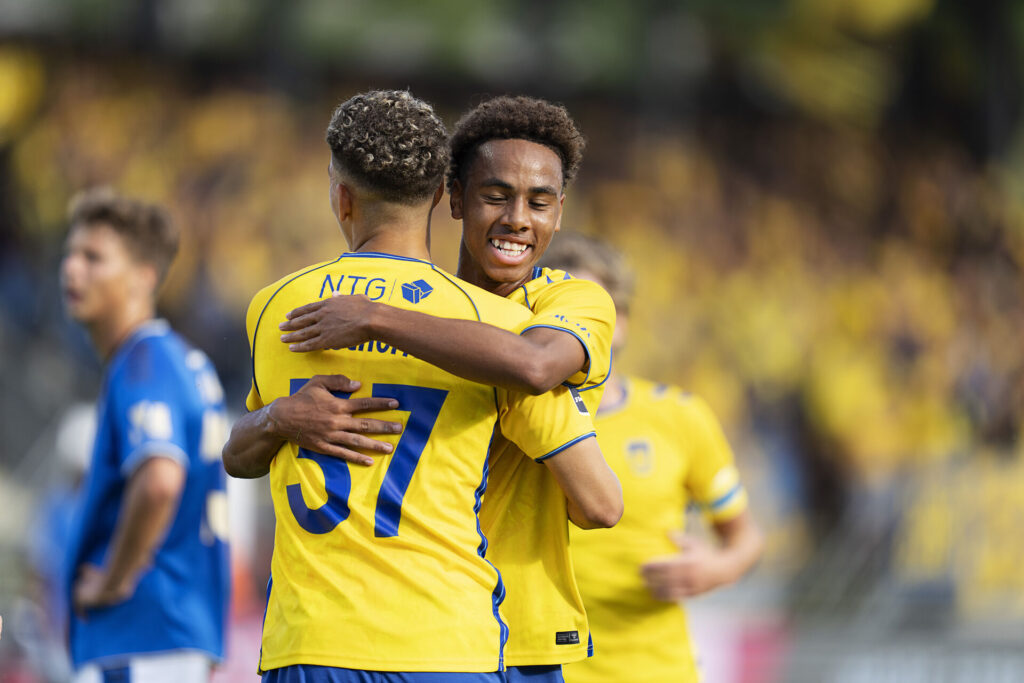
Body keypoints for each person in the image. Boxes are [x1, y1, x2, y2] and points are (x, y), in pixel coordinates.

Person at [221, 90, 618, 682]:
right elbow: (598, 503)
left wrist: (375, 317)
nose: (516, 219)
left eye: (539, 203)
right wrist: (279, 418)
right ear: (447, 197)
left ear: (340, 197)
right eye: (495, 196)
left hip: (483, 632)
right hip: (451, 636)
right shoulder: (495, 325)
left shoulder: (283, 305)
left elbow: (533, 365)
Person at [542, 233, 765, 683]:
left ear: (621, 321)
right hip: (541, 670)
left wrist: (715, 569)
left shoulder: (680, 417)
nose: (572, 325)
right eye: (557, 309)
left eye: (591, 309)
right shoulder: (502, 415)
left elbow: (746, 540)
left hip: (657, 670)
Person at [60, 189, 231, 682]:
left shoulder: (144, 359)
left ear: (143, 277)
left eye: (93, 257)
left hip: (140, 634)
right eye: (70, 255)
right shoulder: (179, 359)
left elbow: (159, 479)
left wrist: (112, 581)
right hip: (175, 632)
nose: (71, 269)